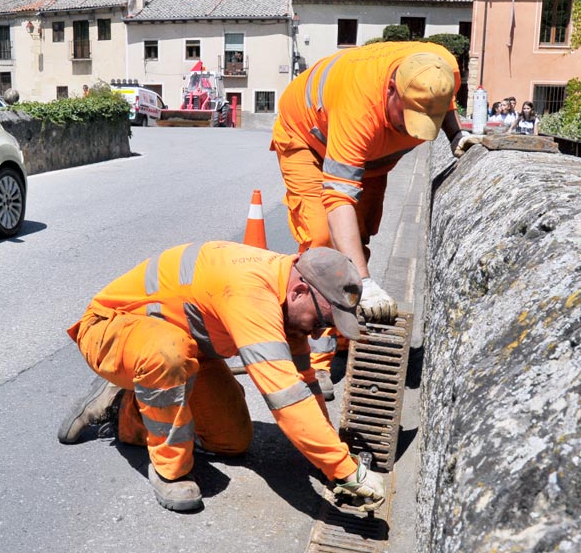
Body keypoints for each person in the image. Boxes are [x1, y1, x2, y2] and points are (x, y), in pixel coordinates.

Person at [57, 243, 386, 512]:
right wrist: (345, 470)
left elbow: (303, 384)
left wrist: (333, 456)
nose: (319, 331)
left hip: (185, 349)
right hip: (112, 330)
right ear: (300, 291)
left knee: (232, 441)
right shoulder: (252, 292)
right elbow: (285, 397)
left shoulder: (288, 297)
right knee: (166, 355)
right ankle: (167, 469)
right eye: (321, 320)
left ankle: (124, 410)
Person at [270, 41, 481, 397]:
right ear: (391, 90)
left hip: (369, 159)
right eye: (409, 117)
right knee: (323, 241)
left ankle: (343, 337)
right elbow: (338, 197)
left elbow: (443, 104)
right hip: (307, 139)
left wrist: (455, 134)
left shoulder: (442, 67)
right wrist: (365, 284)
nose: (415, 131)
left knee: (357, 243)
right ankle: (314, 364)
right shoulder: (360, 105)